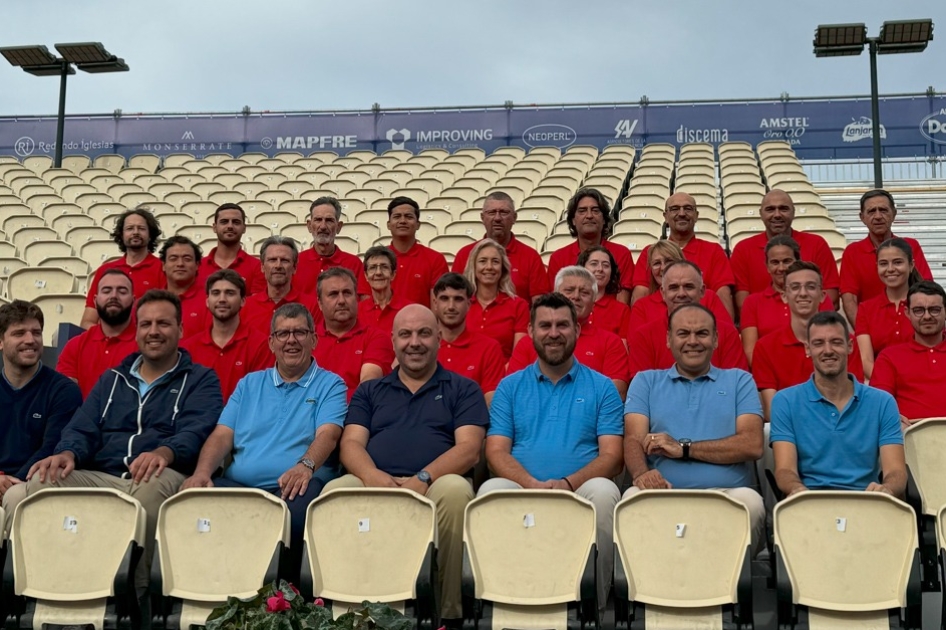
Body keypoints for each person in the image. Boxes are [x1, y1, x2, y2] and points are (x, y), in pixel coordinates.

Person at [22, 290, 223, 594]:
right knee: (43, 481)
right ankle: (54, 589)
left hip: (163, 473)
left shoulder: (200, 378)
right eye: (145, 324)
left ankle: (136, 597)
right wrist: (68, 453)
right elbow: (83, 425)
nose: (153, 331)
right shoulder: (113, 379)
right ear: (137, 331)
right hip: (105, 475)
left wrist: (165, 452)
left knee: (151, 483)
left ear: (180, 330)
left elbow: (197, 428)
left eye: (163, 324)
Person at [323, 304, 489, 624]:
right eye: (406, 334)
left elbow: (470, 449)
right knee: (334, 490)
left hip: (435, 482)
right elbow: (351, 444)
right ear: (393, 341)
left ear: (439, 338)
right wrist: (373, 475)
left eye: (424, 333)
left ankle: (449, 612)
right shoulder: (371, 390)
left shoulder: (463, 388)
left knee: (456, 492)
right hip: (375, 481)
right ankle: (344, 608)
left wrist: (424, 477)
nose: (415, 342)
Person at [181, 302, 347, 580]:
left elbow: (328, 434)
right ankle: (207, 592)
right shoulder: (248, 384)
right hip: (239, 485)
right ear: (271, 342)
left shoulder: (331, 384)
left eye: (300, 333)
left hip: (295, 485)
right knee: (193, 505)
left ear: (314, 339)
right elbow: (222, 434)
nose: (291, 340)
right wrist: (201, 473)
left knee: (295, 514)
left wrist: (305, 465)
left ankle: (281, 603)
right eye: (283, 334)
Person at [482, 292, 623, 611]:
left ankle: (595, 606)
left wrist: (568, 483)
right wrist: (531, 483)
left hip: (581, 488)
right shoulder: (510, 386)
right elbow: (496, 452)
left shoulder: (602, 387)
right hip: (523, 485)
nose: (554, 333)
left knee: (603, 492)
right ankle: (504, 600)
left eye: (562, 325)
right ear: (530, 331)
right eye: (545, 325)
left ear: (576, 329)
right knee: (490, 490)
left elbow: (612, 457)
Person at [623, 303, 765, 556]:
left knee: (751, 503)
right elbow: (633, 439)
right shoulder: (645, 381)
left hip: (728, 496)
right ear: (668, 340)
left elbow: (752, 444)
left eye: (701, 333)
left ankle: (726, 587)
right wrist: (642, 474)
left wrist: (684, 449)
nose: (693, 341)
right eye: (683, 333)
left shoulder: (739, 380)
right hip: (665, 493)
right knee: (632, 499)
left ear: (716, 339)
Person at [771, 311, 906, 498]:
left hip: (866, 500)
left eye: (836, 342)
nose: (828, 350)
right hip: (810, 499)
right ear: (807, 349)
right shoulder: (785, 401)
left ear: (850, 346)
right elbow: (785, 470)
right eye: (818, 343)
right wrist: (797, 489)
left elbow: (896, 472)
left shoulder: (882, 402)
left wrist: (887, 489)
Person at [753, 262, 864, 421]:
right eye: (795, 287)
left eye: (811, 287)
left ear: (823, 295)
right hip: (791, 433)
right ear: (784, 296)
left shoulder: (845, 342)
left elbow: (853, 402)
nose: (803, 293)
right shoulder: (765, 347)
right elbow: (773, 411)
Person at [0, 301, 82, 509]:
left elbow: (51, 447)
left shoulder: (63, 390)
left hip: (34, 483)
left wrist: (9, 483)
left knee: (17, 497)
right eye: (19, 333)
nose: (30, 340)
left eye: (36, 333)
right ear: (1, 341)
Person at [507, 268, 630, 399]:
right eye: (569, 290)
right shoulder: (529, 342)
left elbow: (616, 393)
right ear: (555, 295)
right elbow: (514, 390)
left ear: (594, 303)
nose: (576, 296)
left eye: (584, 293)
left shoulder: (610, 342)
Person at [627, 261, 747, 381]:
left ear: (702, 291)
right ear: (663, 293)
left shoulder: (727, 333)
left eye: (688, 287)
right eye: (674, 288)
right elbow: (642, 389)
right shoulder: (644, 336)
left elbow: (736, 384)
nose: (681, 294)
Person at [729, 189, 840, 310]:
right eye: (770, 209)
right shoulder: (743, 249)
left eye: (783, 209)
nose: (777, 215)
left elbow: (831, 295)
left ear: (793, 212)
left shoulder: (817, 244)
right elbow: (742, 303)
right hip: (764, 324)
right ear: (761, 214)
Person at [630, 192, 735, 317]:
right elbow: (640, 295)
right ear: (666, 216)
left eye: (688, 209)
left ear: (696, 216)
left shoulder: (714, 251)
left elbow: (723, 296)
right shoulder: (650, 253)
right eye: (674, 209)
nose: (681, 214)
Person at [840, 189, 932, 324]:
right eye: (871, 211)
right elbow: (849, 299)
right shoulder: (853, 252)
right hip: (872, 328)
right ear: (862, 217)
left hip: (912, 327)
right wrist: (863, 332)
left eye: (883, 210)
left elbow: (927, 289)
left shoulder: (911, 246)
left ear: (894, 214)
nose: (877, 216)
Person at [181, 269, 273, 402]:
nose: (222, 299)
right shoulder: (189, 348)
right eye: (216, 293)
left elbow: (259, 397)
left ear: (243, 301)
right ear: (207, 301)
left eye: (230, 293)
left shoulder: (260, 344)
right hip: (199, 421)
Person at [740, 236, 832, 365]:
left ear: (797, 262)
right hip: (769, 373)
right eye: (775, 262)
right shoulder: (752, 302)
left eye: (787, 261)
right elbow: (750, 351)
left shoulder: (816, 297)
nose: (781, 268)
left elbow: (829, 340)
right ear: (767, 266)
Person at [450, 191, 551, 301]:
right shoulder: (465, 255)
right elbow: (455, 300)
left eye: (504, 212)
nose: (497, 218)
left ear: (514, 218)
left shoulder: (531, 257)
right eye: (492, 212)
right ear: (482, 218)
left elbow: (539, 306)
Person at [871, 281, 946, 427]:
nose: (927, 316)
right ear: (907, 313)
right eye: (918, 310)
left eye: (934, 310)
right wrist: (893, 419)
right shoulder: (889, 357)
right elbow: (878, 406)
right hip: (909, 439)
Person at [314, 267, 393, 400]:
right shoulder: (305, 339)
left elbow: (367, 388)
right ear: (320, 303)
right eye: (333, 294)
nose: (341, 301)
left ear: (357, 299)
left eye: (347, 293)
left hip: (358, 415)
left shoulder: (375, 338)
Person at [56, 269, 138, 398]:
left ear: (133, 300)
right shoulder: (75, 346)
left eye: (122, 291)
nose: (114, 296)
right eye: (106, 291)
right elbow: (65, 398)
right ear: (95, 300)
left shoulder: (146, 345)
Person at [80, 207, 165, 328]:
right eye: (130, 228)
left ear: (150, 234)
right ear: (122, 234)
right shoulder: (105, 270)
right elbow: (87, 321)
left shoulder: (162, 268)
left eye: (141, 228)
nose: (135, 232)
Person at [547, 188, 635, 303]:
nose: (589, 215)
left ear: (604, 219)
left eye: (595, 210)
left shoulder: (621, 254)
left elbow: (622, 303)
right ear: (573, 220)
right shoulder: (558, 258)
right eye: (582, 211)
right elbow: (555, 302)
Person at [627, 240, 732, 334]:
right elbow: (637, 347)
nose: (663, 268)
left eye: (669, 261)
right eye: (656, 263)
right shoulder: (641, 307)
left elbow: (726, 336)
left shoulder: (709, 298)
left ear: (682, 263)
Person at [431, 273, 505, 405]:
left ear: (469, 304)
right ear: (435, 303)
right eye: (444, 299)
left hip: (471, 422)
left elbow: (491, 403)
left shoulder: (489, 348)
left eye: (458, 299)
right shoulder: (421, 346)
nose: (451, 306)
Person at [854, 238, 922, 379]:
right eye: (883, 263)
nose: (890, 269)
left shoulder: (924, 305)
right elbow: (866, 360)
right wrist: (886, 385)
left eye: (897, 262)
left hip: (922, 384)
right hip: (882, 388)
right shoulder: (866, 309)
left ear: (911, 265)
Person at [462, 238, 529, 360]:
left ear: (503, 268)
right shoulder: (461, 304)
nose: (489, 267)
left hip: (504, 376)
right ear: (474, 267)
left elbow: (519, 356)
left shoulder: (519, 306)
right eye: (483, 261)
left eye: (495, 262)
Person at [242, 236, 320, 333]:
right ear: (262, 266)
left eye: (284, 260)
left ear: (294, 267)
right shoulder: (245, 307)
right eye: (272, 260)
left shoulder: (312, 306)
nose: (278, 265)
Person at [294, 196, 367, 295]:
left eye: (329, 220)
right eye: (318, 220)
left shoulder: (354, 264)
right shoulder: (295, 263)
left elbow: (361, 304)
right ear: (309, 226)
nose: (323, 226)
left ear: (339, 227)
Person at [385, 196, 449, 306]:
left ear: (418, 224)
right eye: (397, 216)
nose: (403, 221)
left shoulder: (435, 259)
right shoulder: (376, 260)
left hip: (423, 323)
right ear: (388, 225)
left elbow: (438, 306)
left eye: (409, 217)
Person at [197, 202, 266, 295]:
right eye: (224, 222)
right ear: (214, 227)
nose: (230, 226)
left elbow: (255, 305)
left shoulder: (257, 267)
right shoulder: (197, 267)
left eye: (236, 222)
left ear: (244, 228)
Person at [578, 245, 631, 339]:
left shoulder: (622, 311)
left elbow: (623, 349)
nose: (600, 269)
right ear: (582, 269)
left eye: (606, 265)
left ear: (611, 273)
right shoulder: (570, 305)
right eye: (594, 264)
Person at [160, 235, 208, 338]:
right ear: (163, 265)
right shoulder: (152, 302)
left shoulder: (210, 301)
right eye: (173, 259)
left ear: (197, 265)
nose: (180, 264)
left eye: (187, 259)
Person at [358, 246, 409, 336]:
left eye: (384, 267)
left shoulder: (409, 309)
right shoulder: (356, 312)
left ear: (393, 274)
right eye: (373, 267)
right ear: (366, 275)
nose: (378, 273)